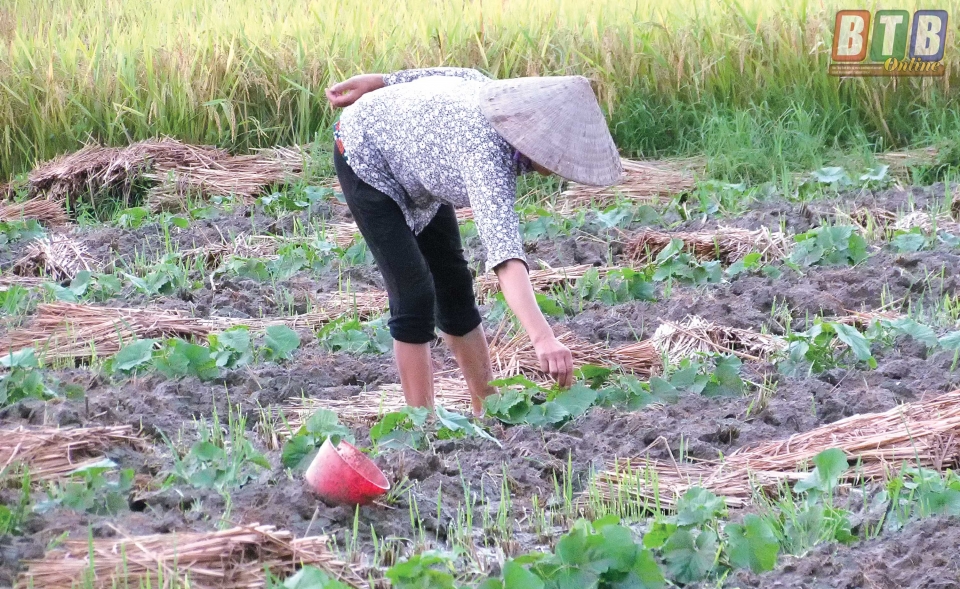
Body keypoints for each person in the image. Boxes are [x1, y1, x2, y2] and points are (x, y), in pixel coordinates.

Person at [324, 67, 621, 416]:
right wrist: (542, 338)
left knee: (454, 285)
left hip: (420, 166)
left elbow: (457, 73)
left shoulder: (496, 97)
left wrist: (381, 81)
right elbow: (506, 258)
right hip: (364, 154)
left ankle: (488, 409)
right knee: (414, 293)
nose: (561, 165)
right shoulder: (487, 154)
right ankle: (421, 425)